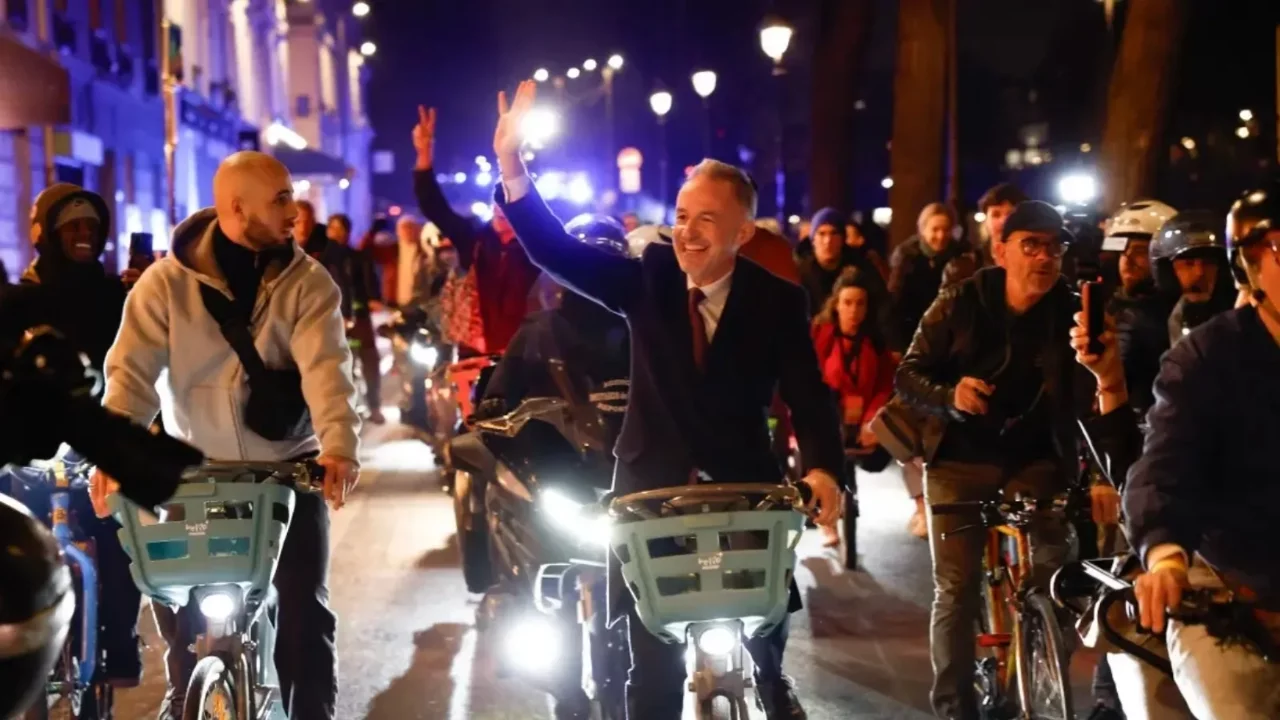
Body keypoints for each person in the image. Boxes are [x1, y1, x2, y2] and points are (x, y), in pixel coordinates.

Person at [492, 80, 844, 720]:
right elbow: (559, 253)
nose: (687, 232)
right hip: (649, 486)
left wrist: (823, 467)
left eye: (707, 219)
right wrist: (513, 169)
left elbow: (807, 392)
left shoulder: (777, 299)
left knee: (765, 618)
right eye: (681, 216)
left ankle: (772, 680)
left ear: (743, 230)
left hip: (742, 482)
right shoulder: (647, 277)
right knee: (647, 660)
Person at [90, 151, 361, 720]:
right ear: (237, 208)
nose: (295, 211)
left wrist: (337, 446)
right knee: (177, 604)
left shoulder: (308, 282)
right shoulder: (165, 283)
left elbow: (327, 369)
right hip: (196, 474)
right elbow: (132, 374)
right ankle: (187, 694)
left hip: (289, 469)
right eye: (281, 199)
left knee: (305, 617)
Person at [896, 200, 1120, 719]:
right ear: (1000, 251)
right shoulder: (960, 302)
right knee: (957, 589)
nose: (1045, 257)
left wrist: (1100, 476)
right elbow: (908, 375)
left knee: (1053, 567)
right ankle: (955, 707)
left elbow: (1088, 400)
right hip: (959, 457)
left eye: (1055, 247)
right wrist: (951, 394)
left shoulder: (1074, 312)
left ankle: (1037, 671)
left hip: (1037, 458)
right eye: (1031, 245)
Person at [1125, 181, 1280, 718]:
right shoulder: (1204, 358)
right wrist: (1165, 559)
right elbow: (1164, 467)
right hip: (1229, 592)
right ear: (1249, 268)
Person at [0, 183, 145, 689]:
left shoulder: (119, 295)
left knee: (120, 538)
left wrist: (145, 294)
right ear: (46, 234)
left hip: (97, 447)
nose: (84, 234)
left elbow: (143, 363)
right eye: (72, 227)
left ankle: (122, 646)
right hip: (31, 452)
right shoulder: (20, 298)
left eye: (91, 226)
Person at [413, 105, 540, 353]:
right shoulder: (474, 239)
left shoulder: (535, 247)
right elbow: (434, 207)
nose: (501, 208)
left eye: (509, 200)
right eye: (498, 200)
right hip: (476, 353)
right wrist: (424, 154)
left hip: (525, 355)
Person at [810, 266, 895, 546]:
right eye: (847, 302)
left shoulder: (874, 341)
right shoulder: (819, 335)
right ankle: (825, 520)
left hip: (862, 422)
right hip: (826, 416)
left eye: (860, 303)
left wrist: (873, 420)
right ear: (836, 304)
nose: (854, 310)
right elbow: (808, 380)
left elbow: (884, 385)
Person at [1101, 199, 1177, 415]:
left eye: (1140, 251)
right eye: (1122, 250)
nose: (1127, 260)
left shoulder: (1176, 314)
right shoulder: (1110, 306)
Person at [313, 211, 385, 424]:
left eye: (340, 229)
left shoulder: (357, 257)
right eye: (331, 228)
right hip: (335, 319)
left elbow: (368, 283)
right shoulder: (323, 260)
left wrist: (372, 299)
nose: (335, 233)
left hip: (360, 318)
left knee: (370, 361)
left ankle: (374, 406)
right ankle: (348, 407)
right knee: (344, 365)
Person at [888, 201, 975, 353]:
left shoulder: (961, 257)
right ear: (923, 230)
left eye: (946, 229)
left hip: (950, 340)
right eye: (935, 229)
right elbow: (895, 302)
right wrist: (896, 344)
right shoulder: (906, 258)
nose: (941, 236)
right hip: (913, 336)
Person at [1149, 210, 1236, 346]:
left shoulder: (1240, 323)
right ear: (1169, 271)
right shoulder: (1154, 326)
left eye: (1208, 263)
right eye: (1188, 264)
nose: (1200, 272)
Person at [797, 206, 889, 319]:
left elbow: (883, 310)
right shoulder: (800, 272)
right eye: (821, 234)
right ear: (813, 239)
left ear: (842, 238)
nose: (828, 241)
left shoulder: (862, 269)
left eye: (834, 233)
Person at [975, 182, 1029, 267]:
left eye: (1011, 214)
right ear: (986, 221)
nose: (1003, 221)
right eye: (996, 215)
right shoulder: (970, 265)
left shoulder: (1034, 261)